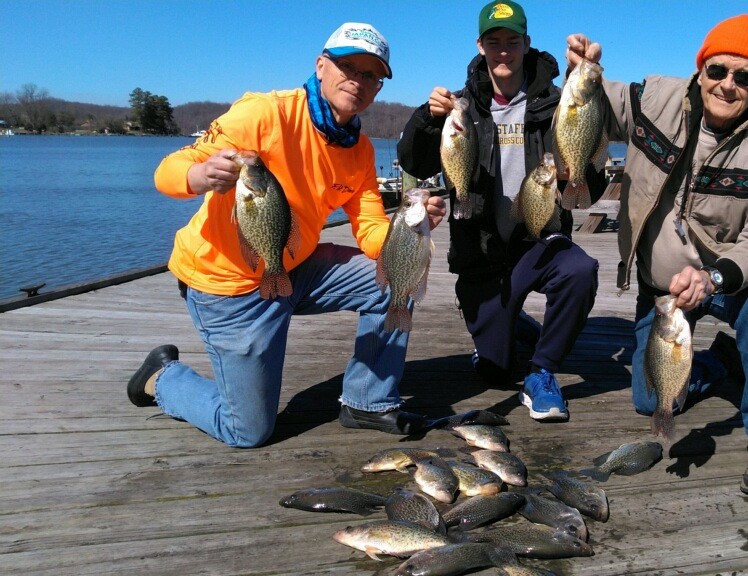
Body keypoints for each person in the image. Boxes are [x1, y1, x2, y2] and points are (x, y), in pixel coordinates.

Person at [126, 22, 447, 447]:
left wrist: (411, 227)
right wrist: (200, 174)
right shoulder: (263, 113)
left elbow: (370, 229)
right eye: (347, 66)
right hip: (227, 285)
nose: (358, 80)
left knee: (395, 280)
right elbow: (167, 172)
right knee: (247, 430)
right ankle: (161, 378)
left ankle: (366, 402)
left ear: (378, 87)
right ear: (320, 66)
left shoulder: (361, 150)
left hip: (296, 266)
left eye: (371, 75)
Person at [566, 14, 748, 498]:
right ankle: (720, 363)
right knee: (650, 401)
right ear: (700, 70)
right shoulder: (655, 97)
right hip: (660, 291)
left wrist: (713, 279)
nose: (727, 85)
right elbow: (594, 104)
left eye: (745, 77)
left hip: (724, 282)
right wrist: (583, 69)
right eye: (718, 70)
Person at [397, 1, 603, 422]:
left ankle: (542, 372)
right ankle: (513, 325)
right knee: (492, 371)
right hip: (483, 251)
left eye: (513, 41)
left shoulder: (556, 103)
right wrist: (424, 119)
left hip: (539, 239)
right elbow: (414, 164)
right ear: (481, 45)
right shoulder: (462, 106)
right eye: (495, 42)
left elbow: (592, 174)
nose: (504, 51)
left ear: (527, 44)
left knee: (580, 271)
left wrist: (591, 80)